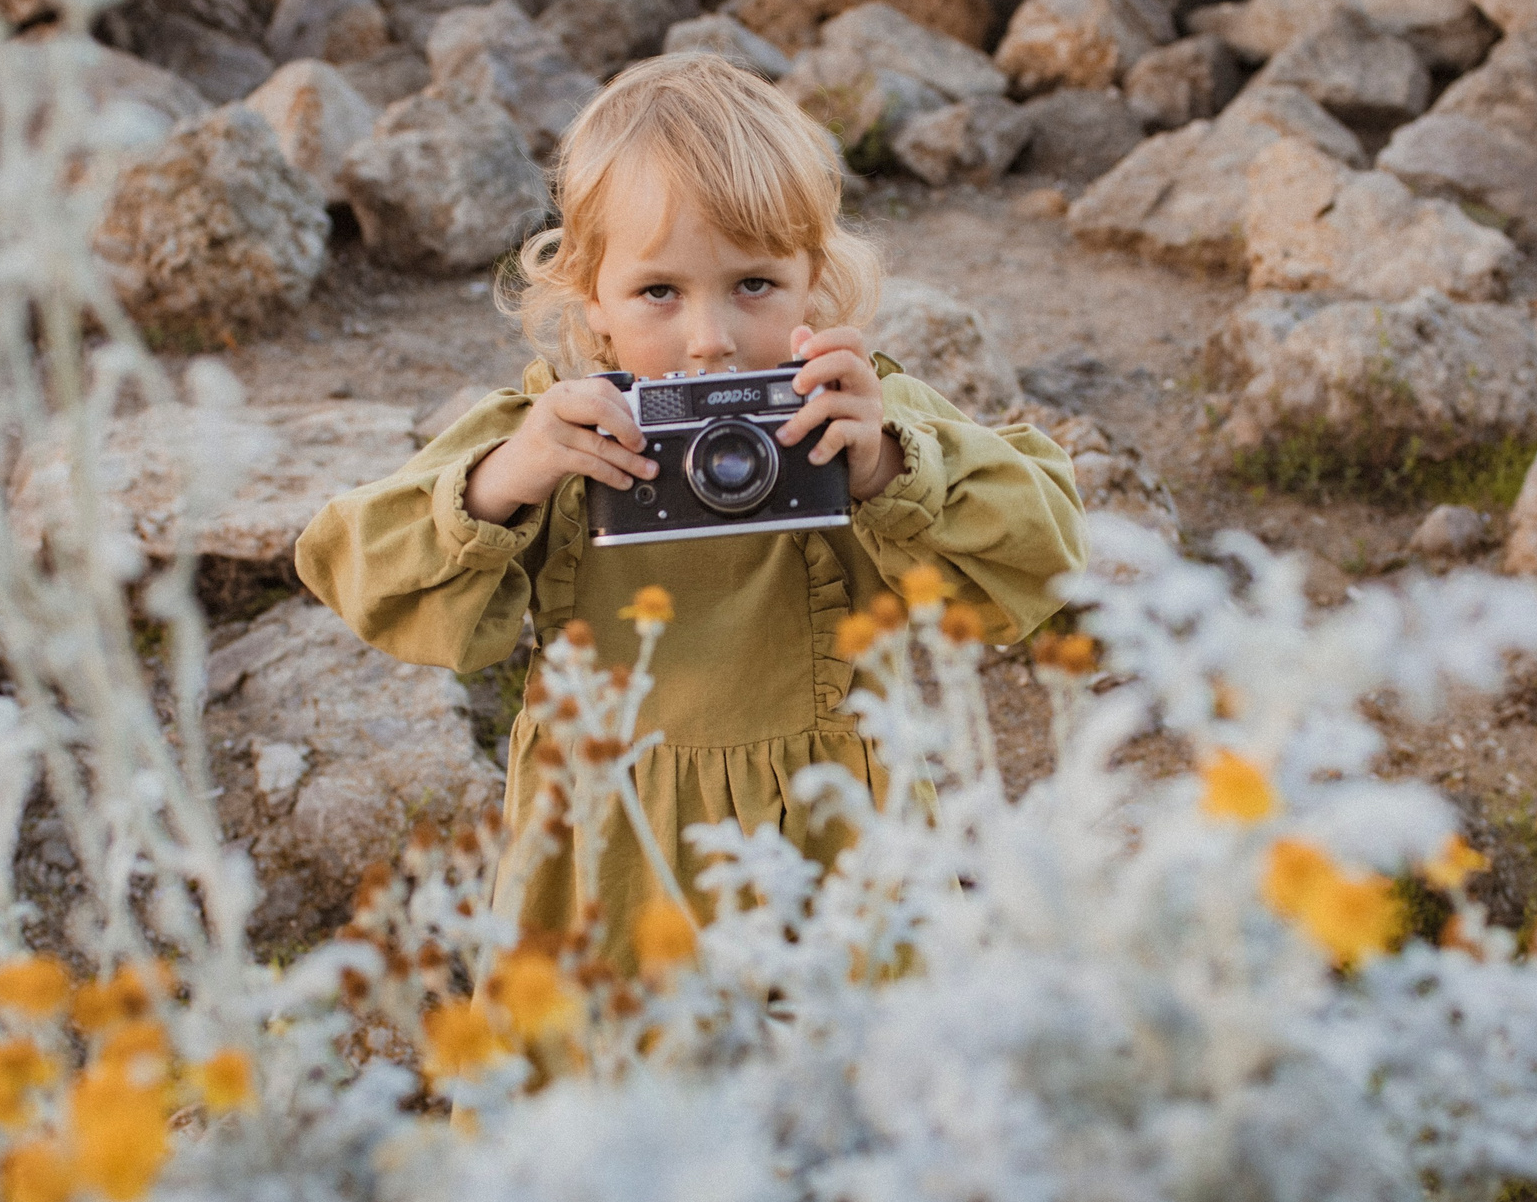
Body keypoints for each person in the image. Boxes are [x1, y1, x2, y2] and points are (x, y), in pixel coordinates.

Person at [295, 51, 1084, 965]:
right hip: (612, 863)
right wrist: (506, 478)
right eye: (658, 292)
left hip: (838, 847)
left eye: (752, 284)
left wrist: (888, 469)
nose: (708, 341)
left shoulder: (854, 418)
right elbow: (354, 566)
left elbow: (1048, 547)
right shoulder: (562, 434)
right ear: (591, 298)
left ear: (813, 283)